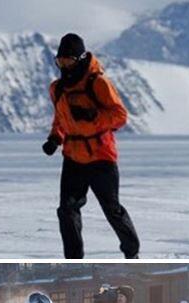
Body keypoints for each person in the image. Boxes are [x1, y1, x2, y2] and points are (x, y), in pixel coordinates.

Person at [43, 33, 140, 259]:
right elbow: (61, 118)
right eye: (60, 61)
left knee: (112, 209)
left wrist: (92, 116)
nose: (64, 66)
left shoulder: (98, 83)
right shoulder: (56, 89)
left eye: (68, 60)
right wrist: (54, 138)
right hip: (73, 158)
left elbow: (120, 116)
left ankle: (132, 253)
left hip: (101, 157)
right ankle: (73, 259)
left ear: (80, 58)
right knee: (67, 211)